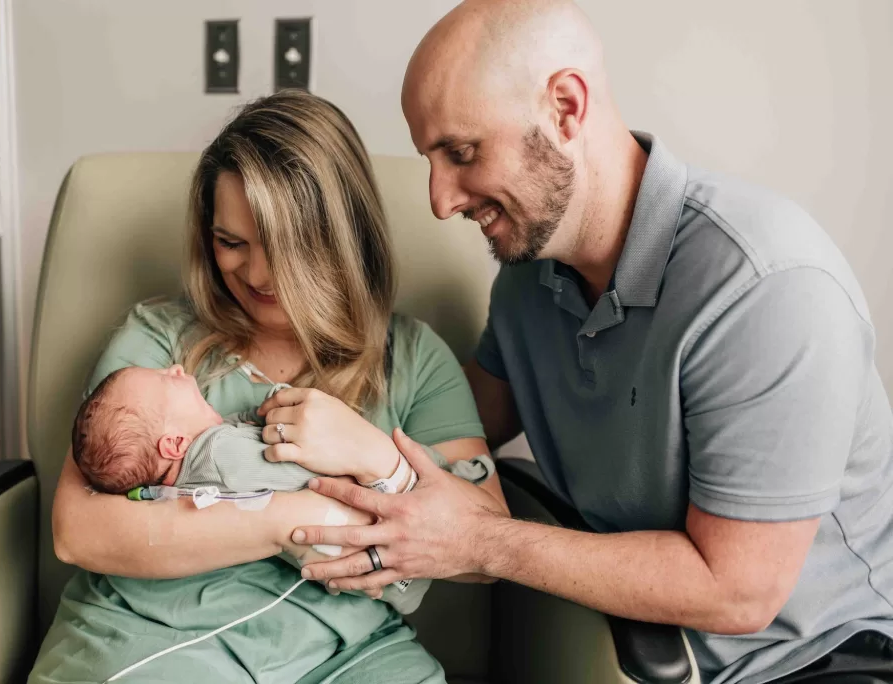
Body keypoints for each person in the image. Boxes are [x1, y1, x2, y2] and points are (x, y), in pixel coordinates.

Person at [288, 2, 893, 683]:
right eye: (432, 158)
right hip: (623, 646)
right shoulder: (527, 283)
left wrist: (480, 541)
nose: (438, 200)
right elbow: (457, 418)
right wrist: (260, 427)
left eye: (461, 153)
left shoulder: (765, 286)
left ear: (565, 108)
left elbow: (738, 591)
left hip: (820, 663)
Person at [28, 89, 507, 683]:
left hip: (349, 654)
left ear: (344, 238)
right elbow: (78, 532)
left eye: (284, 247)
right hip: (152, 637)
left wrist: (372, 451)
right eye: (231, 243)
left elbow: (487, 551)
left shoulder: (413, 360)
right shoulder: (155, 346)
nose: (254, 274)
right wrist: (291, 517)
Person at [70, 362, 495, 614]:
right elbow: (288, 465)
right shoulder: (219, 455)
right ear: (175, 443)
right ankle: (465, 476)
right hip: (382, 538)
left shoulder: (208, 456)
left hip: (394, 555)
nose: (176, 368)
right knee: (432, 472)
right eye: (166, 379)